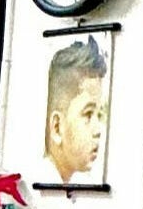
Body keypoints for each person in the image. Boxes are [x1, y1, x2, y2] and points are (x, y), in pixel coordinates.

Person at [40, 37, 108, 185]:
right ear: (57, 127)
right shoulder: (33, 193)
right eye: (88, 114)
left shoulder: (69, 186)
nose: (98, 130)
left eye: (99, 115)